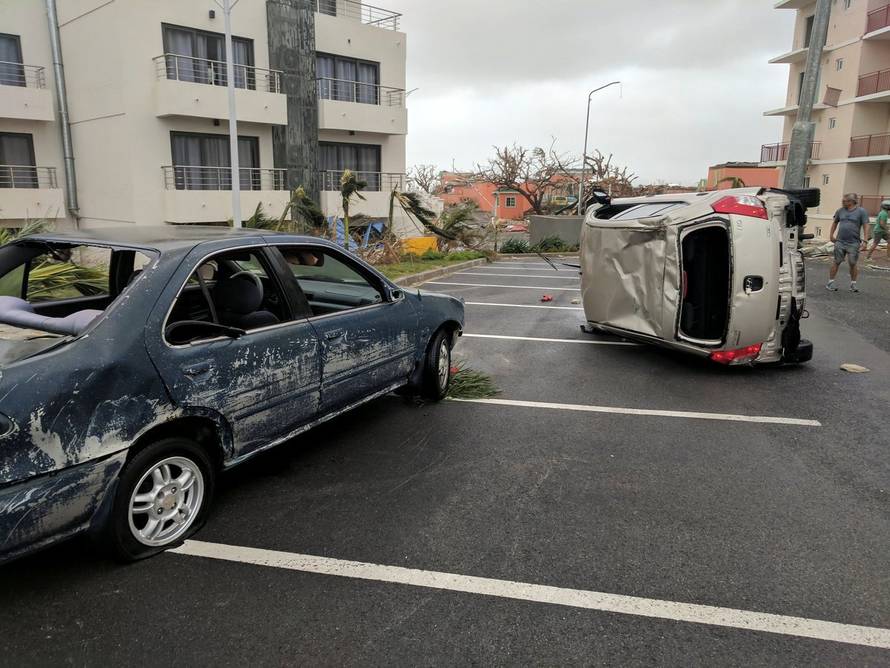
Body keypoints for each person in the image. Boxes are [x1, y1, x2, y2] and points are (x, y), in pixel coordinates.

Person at [827, 193, 870, 292]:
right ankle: (830, 282)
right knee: (836, 261)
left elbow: (866, 226)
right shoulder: (840, 211)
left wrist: (865, 241)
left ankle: (853, 284)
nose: (842, 202)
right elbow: (835, 222)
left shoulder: (861, 211)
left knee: (852, 262)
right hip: (840, 241)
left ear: (852, 201)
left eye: (845, 201)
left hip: (853, 242)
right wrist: (831, 235)